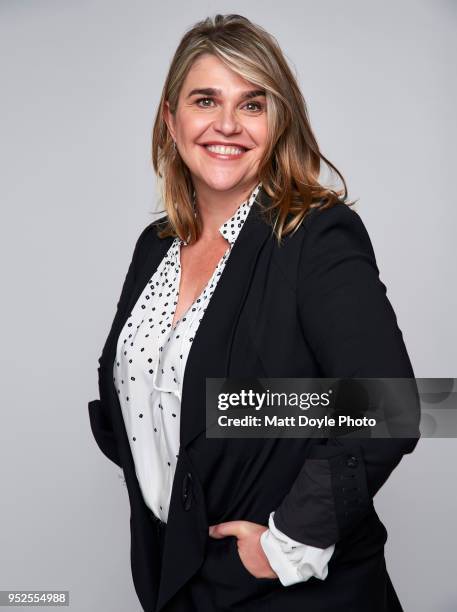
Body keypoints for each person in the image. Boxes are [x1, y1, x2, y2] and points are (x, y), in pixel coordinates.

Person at [88, 13, 419, 612]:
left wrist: (286, 543)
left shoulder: (315, 236)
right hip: (178, 580)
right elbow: (153, 399)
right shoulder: (155, 246)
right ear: (170, 118)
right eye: (206, 99)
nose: (226, 125)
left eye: (252, 104)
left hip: (289, 590)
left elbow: (389, 405)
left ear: (278, 121)